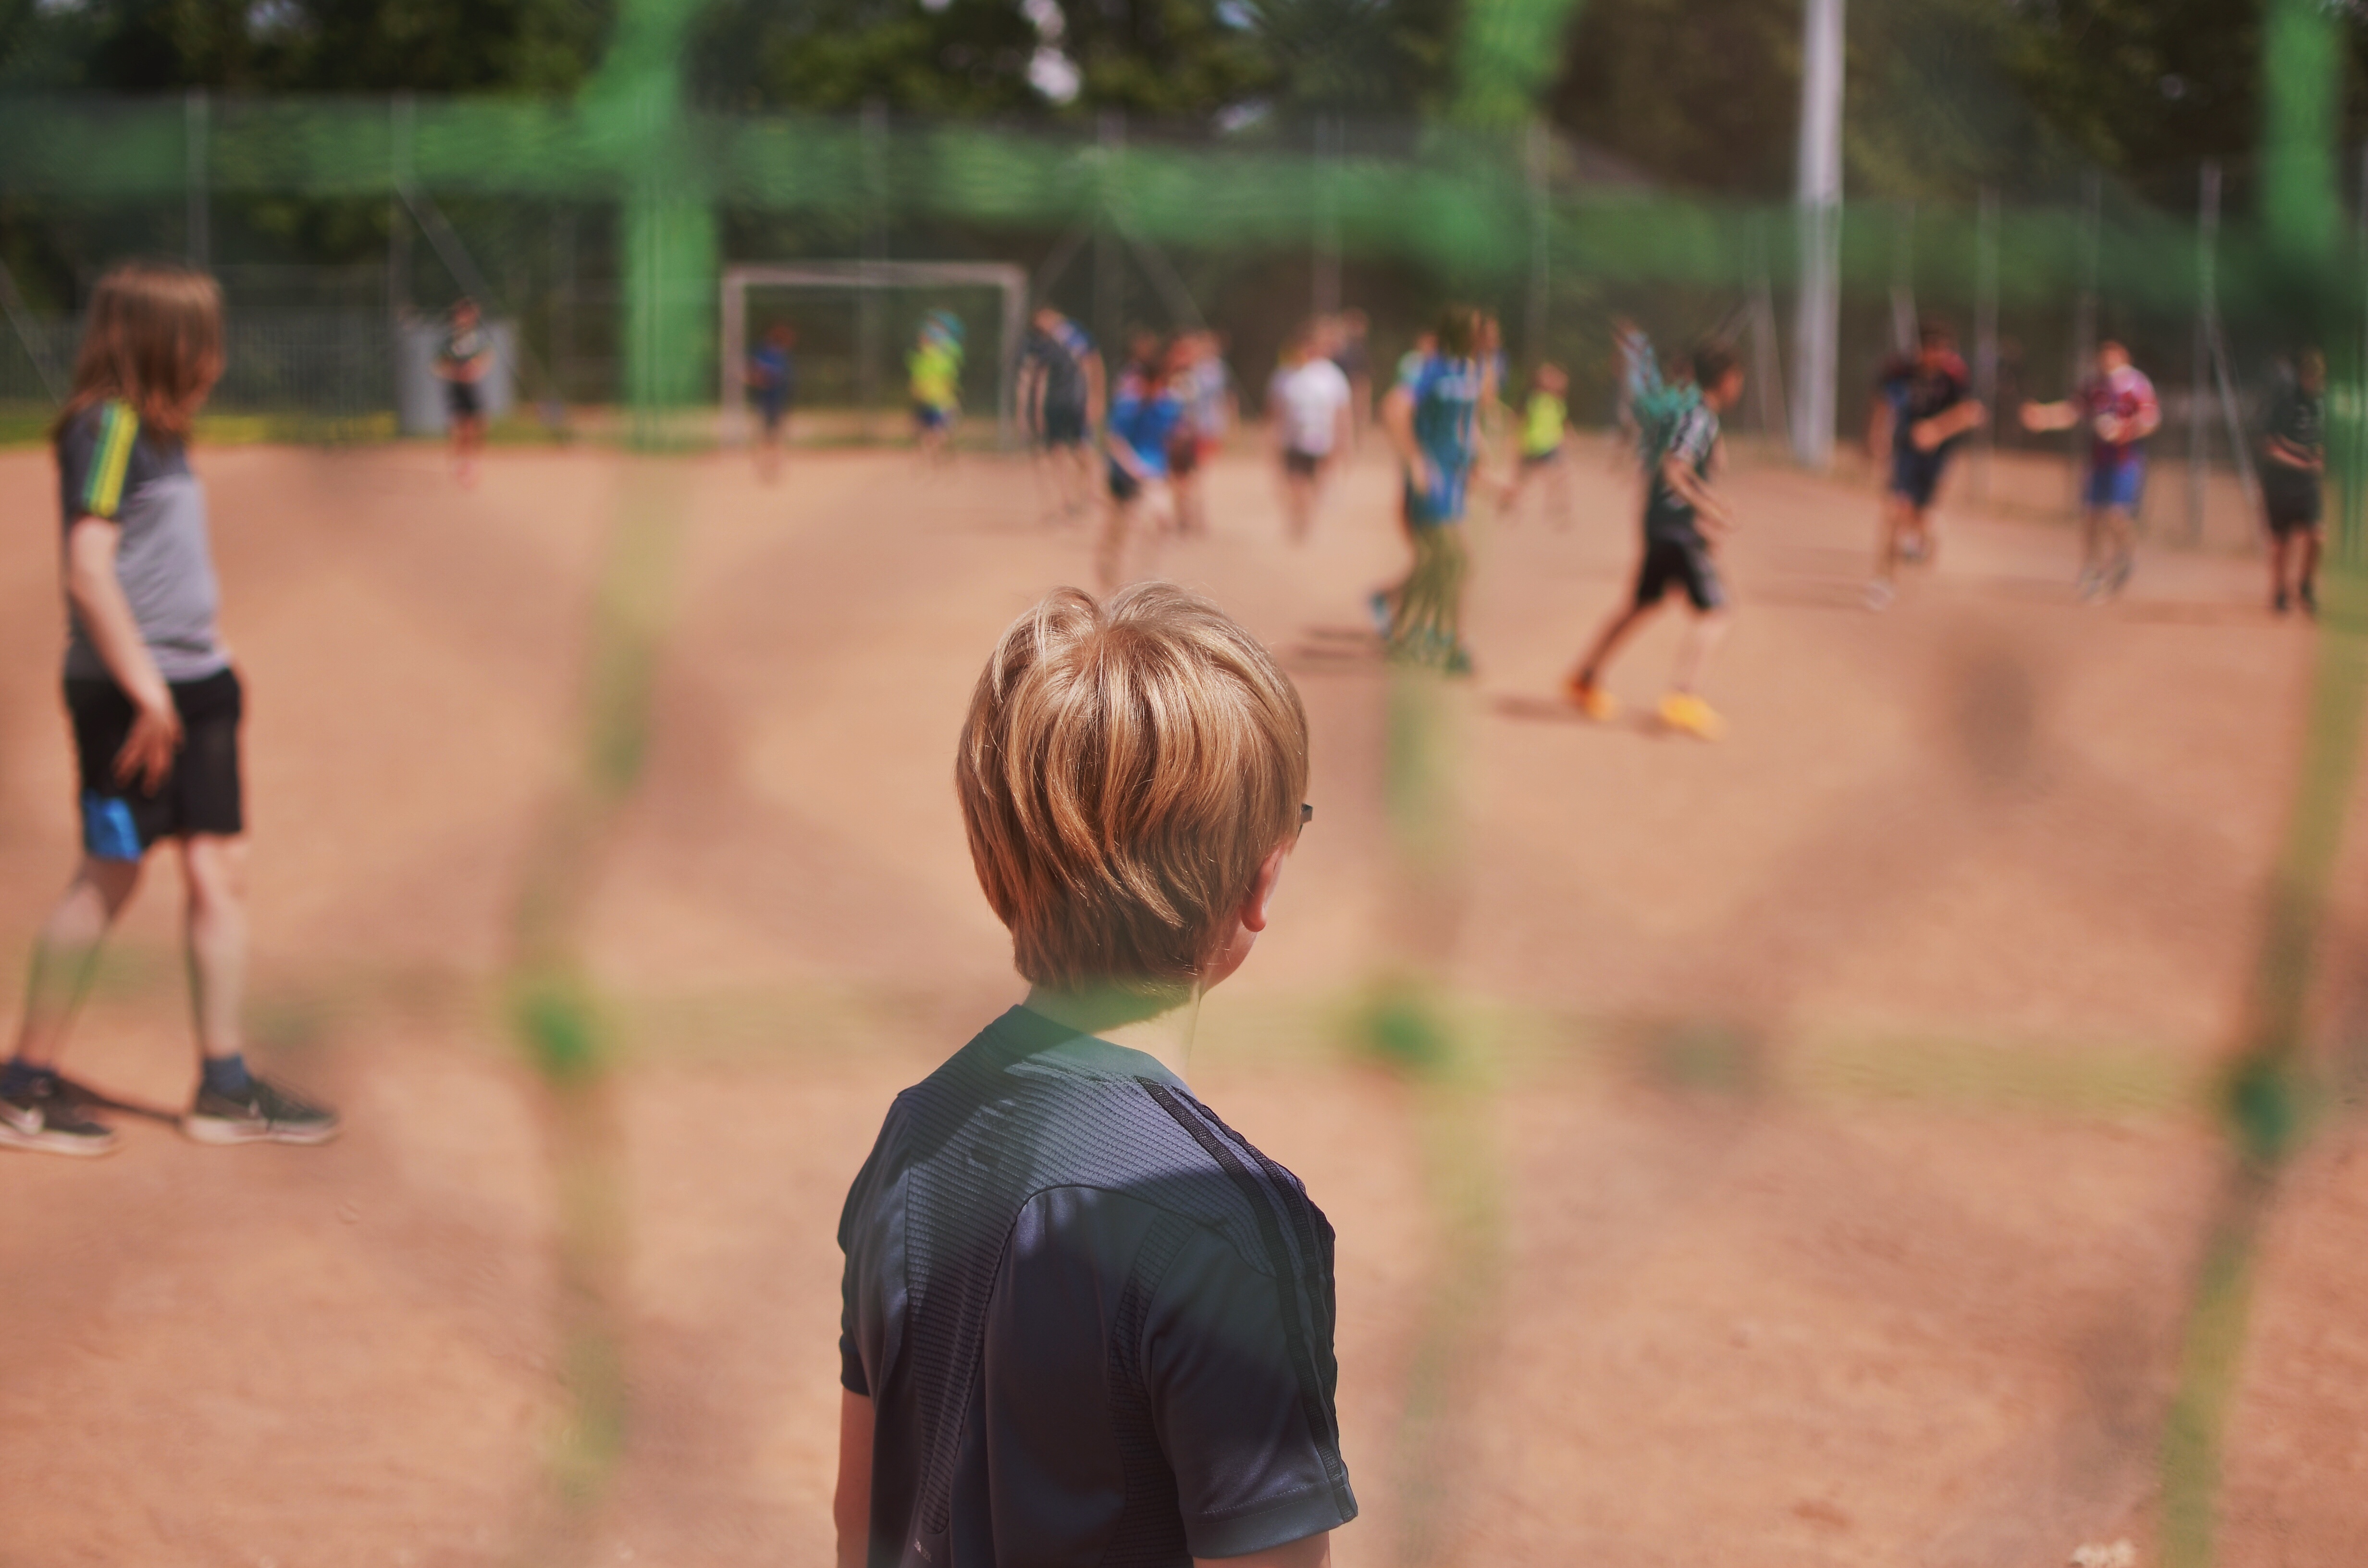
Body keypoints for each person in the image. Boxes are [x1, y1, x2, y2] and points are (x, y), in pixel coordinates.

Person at [835, 582, 1354, 1568]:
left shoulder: (916, 1132)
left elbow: (857, 1524)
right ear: (1262, 880)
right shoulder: (1226, 1227)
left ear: (996, 867)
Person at [1, 261, 338, 1156]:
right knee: (111, 871)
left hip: (200, 686)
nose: (218, 359)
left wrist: (192, 681)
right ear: (160, 343)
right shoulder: (106, 427)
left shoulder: (161, 430)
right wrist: (148, 688)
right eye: (204, 341)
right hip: (128, 695)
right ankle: (23, 1083)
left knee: (219, 870)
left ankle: (224, 1084)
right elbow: (86, 565)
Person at [1564, 342, 1747, 740]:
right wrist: (1706, 509)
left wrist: (1709, 502)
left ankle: (1584, 678)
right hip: (1675, 527)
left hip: (1660, 520)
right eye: (1739, 379)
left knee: (1644, 604)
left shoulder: (1690, 409)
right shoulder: (1700, 417)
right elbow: (1674, 470)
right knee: (1717, 612)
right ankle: (1683, 697)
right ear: (1728, 380)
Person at [1372, 307, 1485, 674]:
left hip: (1453, 478)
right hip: (1431, 479)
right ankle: (1450, 644)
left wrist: (1485, 474)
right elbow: (1393, 408)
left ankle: (1404, 630)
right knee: (1455, 559)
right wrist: (1416, 461)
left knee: (1436, 561)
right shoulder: (1430, 368)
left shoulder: (1471, 371)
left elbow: (1466, 428)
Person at [2021, 339, 2159, 601]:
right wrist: (2044, 417)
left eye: (2113, 356)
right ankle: (2092, 569)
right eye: (2103, 356)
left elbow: (2151, 420)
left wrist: (2123, 430)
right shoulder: (2094, 385)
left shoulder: (2136, 385)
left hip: (2125, 461)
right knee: (2092, 517)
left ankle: (2126, 555)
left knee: (2118, 516)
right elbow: (2073, 411)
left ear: (2123, 357)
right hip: (2099, 461)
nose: (2107, 361)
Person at [1864, 320, 1988, 609]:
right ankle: (1883, 581)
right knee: (1893, 513)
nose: (1941, 357)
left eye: (1946, 351)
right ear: (1922, 349)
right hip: (1907, 450)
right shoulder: (1901, 370)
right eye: (1935, 350)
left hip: (1939, 455)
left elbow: (1973, 412)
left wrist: (1937, 429)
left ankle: (1926, 532)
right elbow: (1882, 401)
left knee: (1920, 518)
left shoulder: (1955, 375)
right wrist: (1877, 434)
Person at [1096, 333, 1188, 592]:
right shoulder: (1129, 406)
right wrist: (1132, 466)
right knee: (1119, 534)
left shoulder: (1168, 407)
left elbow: (1172, 440)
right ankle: (1112, 578)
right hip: (1123, 478)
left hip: (1151, 479)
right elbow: (1114, 440)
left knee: (1160, 523)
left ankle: (1145, 583)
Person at [1269, 321, 1354, 543]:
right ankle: (1300, 518)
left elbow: (1342, 413)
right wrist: (1272, 442)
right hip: (1294, 441)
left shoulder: (1332, 376)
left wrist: (1344, 443)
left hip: (1322, 441)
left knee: (1316, 486)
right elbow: (1275, 413)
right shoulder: (1284, 376)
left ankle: (1305, 518)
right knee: (1297, 484)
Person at [1018, 306, 1104, 520]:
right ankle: (1065, 500)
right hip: (1055, 403)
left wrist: (1095, 396)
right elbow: (1039, 379)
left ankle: (1090, 493)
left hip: (1076, 401)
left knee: (1083, 449)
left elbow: (1092, 364)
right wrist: (1035, 412)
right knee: (1057, 451)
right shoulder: (1041, 344)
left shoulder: (1076, 334)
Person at [2260, 349, 2327, 617]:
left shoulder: (2321, 404)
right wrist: (2302, 462)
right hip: (2280, 483)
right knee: (2281, 541)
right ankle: (2279, 591)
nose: (2315, 381)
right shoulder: (2285, 403)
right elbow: (2270, 446)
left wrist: (2320, 459)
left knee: (2318, 535)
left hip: (2308, 484)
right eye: (2311, 375)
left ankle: (2306, 584)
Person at [1170, 331, 1235, 538]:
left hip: (1202, 430)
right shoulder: (1186, 373)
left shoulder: (1210, 372)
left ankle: (1192, 518)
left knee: (1196, 477)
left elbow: (1224, 398)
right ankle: (1189, 517)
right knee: (1188, 478)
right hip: (1187, 432)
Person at [1498, 361, 1574, 526]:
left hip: (1550, 447)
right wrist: (1515, 440)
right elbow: (1519, 420)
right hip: (1532, 446)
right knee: (1521, 481)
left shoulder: (1558, 404)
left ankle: (1559, 510)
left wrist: (1567, 436)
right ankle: (1506, 502)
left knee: (1559, 478)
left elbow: (1561, 423)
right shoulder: (1533, 400)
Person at [436, 297, 493, 487]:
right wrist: (454, 372)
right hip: (457, 387)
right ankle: (460, 462)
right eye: (464, 313)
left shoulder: (478, 337)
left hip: (472, 386)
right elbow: (439, 364)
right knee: (461, 425)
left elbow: (486, 358)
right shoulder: (449, 340)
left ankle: (471, 461)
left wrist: (475, 369)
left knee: (478, 424)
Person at [909, 312, 965, 462]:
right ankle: (933, 447)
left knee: (939, 426)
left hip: (940, 397)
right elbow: (918, 375)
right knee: (932, 426)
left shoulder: (946, 353)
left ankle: (935, 447)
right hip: (933, 397)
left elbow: (950, 375)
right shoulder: (925, 356)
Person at [747, 321, 799, 483]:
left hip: (777, 399)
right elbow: (756, 374)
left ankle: (772, 464)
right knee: (767, 434)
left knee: (774, 434)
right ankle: (767, 464)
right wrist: (761, 377)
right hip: (767, 399)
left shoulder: (780, 356)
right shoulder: (769, 354)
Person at [1329, 308, 1372, 446]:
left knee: (1354, 421)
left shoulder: (1358, 350)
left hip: (1354, 388)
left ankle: (1352, 445)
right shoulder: (1339, 348)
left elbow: (1363, 377)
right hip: (1342, 388)